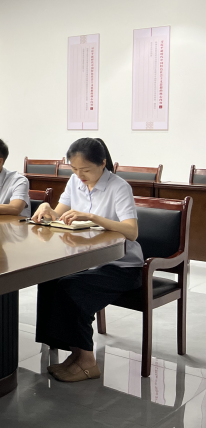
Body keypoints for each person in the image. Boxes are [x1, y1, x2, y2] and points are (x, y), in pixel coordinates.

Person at [32, 138, 143, 383]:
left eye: (85, 170)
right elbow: (58, 214)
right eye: (74, 169)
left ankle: (88, 362)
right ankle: (74, 353)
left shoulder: (119, 187)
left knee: (71, 287)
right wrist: (47, 209)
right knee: (49, 280)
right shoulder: (75, 182)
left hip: (122, 266)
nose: (80, 176)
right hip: (87, 262)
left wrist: (92, 217)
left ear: (102, 163)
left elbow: (131, 231)